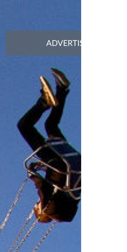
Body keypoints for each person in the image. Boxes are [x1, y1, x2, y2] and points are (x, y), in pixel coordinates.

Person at [17, 69, 80, 223]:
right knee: (24, 126)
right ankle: (44, 101)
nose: (37, 204)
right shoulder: (49, 207)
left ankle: (62, 89)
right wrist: (33, 175)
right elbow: (42, 187)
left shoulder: (67, 201)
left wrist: (41, 168)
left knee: (51, 126)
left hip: (72, 164)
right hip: (58, 163)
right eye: (36, 207)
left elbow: (52, 187)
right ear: (42, 212)